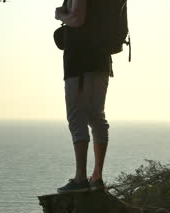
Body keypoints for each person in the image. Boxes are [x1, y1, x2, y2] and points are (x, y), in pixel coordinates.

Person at [55, 0, 112, 193]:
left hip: (80, 63)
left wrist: (60, 15)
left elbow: (77, 19)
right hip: (101, 61)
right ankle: (97, 177)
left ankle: (80, 178)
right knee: (96, 116)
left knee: (76, 117)